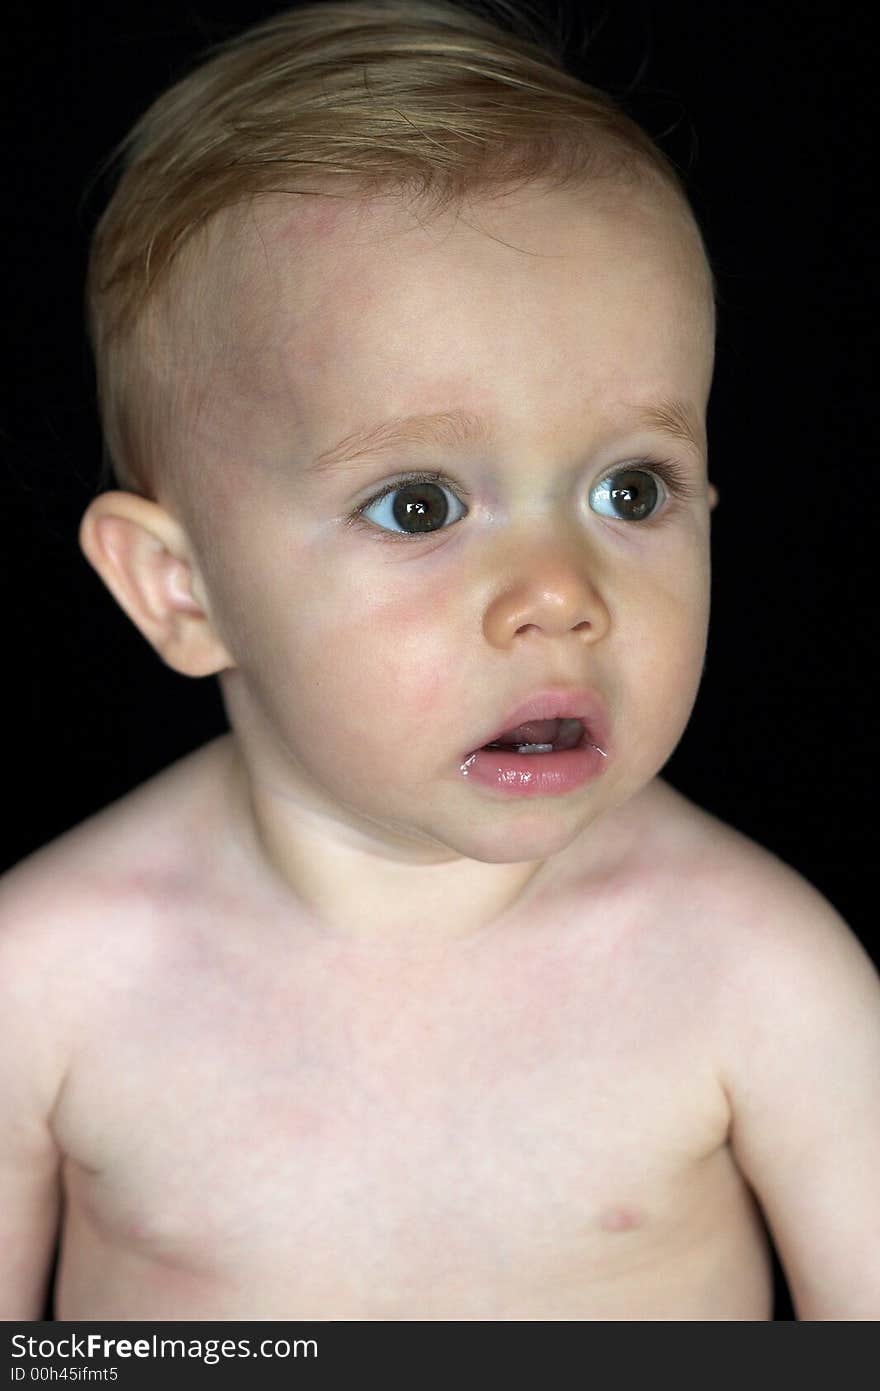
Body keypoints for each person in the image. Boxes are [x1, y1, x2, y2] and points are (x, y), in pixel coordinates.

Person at [2, 0, 877, 1322]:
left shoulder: (753, 973)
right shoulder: (51, 985)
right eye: (420, 505)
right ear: (182, 591)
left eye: (632, 491)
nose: (558, 599)